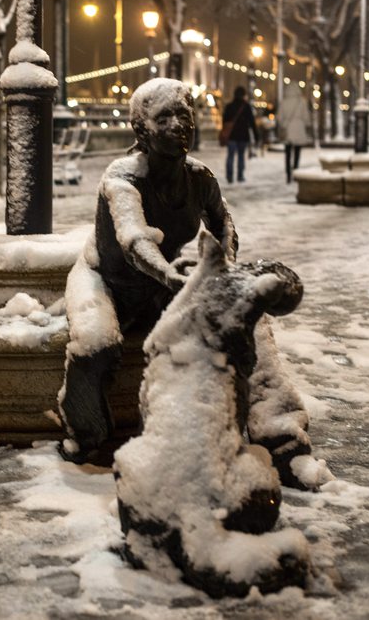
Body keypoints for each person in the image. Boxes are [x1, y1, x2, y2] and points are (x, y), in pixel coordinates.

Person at [58, 78, 238, 465]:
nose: (178, 125)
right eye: (164, 117)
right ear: (141, 128)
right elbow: (133, 240)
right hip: (105, 281)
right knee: (96, 346)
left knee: (232, 324)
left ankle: (259, 424)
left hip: (158, 283)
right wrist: (170, 276)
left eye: (184, 115)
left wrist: (223, 266)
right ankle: (84, 434)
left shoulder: (199, 178)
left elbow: (223, 224)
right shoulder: (122, 177)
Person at [221, 86, 259, 183]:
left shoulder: (229, 106)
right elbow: (252, 122)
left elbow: (224, 121)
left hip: (232, 136)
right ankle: (240, 176)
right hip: (243, 136)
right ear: (243, 95)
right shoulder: (246, 107)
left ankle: (229, 177)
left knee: (230, 156)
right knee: (241, 156)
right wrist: (256, 135)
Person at [278, 84, 311, 183]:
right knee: (297, 152)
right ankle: (296, 172)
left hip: (288, 128)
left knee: (287, 153)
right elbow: (306, 116)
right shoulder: (301, 102)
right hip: (299, 128)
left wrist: (283, 124)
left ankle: (288, 174)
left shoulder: (284, 102)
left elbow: (279, 117)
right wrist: (307, 124)